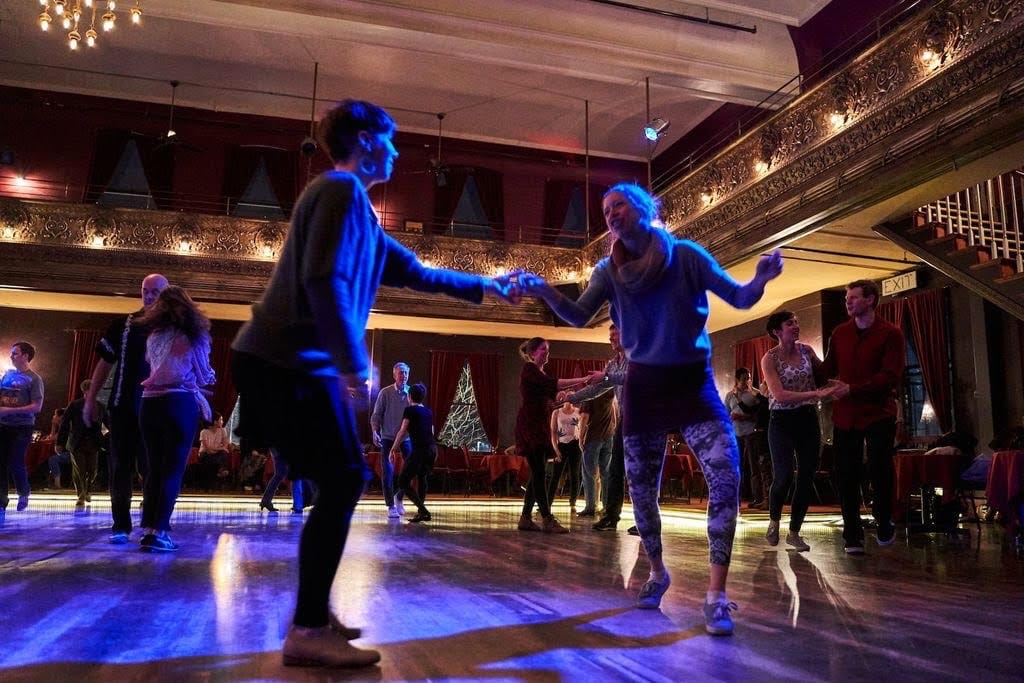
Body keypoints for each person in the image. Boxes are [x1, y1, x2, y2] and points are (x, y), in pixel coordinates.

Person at [230, 99, 527, 669]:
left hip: (291, 363)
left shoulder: (360, 213)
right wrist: (352, 367)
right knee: (342, 479)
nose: (396, 150)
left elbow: (420, 274)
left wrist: (491, 286)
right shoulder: (337, 193)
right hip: (285, 362)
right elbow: (322, 282)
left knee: (341, 480)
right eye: (389, 140)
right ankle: (308, 626)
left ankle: (312, 615)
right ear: (365, 139)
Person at [522, 182, 783, 635]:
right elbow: (580, 315)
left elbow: (740, 298)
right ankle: (658, 571)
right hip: (643, 387)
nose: (610, 214)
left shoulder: (686, 256)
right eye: (605, 210)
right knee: (641, 490)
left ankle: (716, 595)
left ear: (642, 208)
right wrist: (546, 291)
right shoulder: (607, 270)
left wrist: (760, 277)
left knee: (725, 474)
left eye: (618, 204)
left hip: (692, 384)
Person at [84, 273, 169, 543]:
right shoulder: (122, 325)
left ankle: (151, 526)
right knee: (120, 466)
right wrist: (90, 399)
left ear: (166, 294)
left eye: (155, 291)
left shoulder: (174, 328)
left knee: (153, 468)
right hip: (122, 405)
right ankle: (120, 525)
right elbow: (104, 363)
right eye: (145, 289)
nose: (149, 295)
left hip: (157, 408)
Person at [822, 279, 905, 554]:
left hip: (878, 411)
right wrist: (803, 356)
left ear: (870, 300)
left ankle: (883, 521)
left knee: (880, 468)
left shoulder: (890, 333)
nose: (848, 302)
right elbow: (829, 368)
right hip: (846, 413)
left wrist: (853, 389)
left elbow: (890, 375)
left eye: (854, 297)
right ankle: (852, 535)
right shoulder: (840, 333)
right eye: (847, 298)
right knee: (846, 472)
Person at [136, 286, 216, 552]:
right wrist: (207, 379)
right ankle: (160, 532)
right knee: (172, 470)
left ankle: (148, 530)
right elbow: (204, 374)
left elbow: (154, 366)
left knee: (154, 469)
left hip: (149, 402)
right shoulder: (194, 335)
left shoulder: (154, 335)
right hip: (178, 402)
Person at [760, 311, 836, 552]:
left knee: (806, 476)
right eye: (789, 323)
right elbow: (779, 394)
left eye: (796, 322)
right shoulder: (769, 358)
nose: (795, 326)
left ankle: (794, 532)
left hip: (807, 419)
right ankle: (774, 521)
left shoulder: (807, 351)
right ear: (777, 331)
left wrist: (836, 383)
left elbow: (824, 376)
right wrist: (815, 394)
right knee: (783, 476)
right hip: (781, 420)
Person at [515, 337, 594, 534]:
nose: (547, 353)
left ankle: (525, 518)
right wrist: (582, 380)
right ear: (533, 353)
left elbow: (550, 395)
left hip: (538, 426)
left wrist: (559, 398)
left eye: (548, 350)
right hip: (531, 427)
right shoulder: (530, 369)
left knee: (538, 473)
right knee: (540, 474)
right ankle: (547, 518)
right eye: (543, 349)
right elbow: (554, 384)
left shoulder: (539, 373)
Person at [560, 323, 627, 531]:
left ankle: (647, 521)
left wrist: (605, 377)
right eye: (611, 337)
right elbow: (596, 389)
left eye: (615, 336)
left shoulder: (638, 358)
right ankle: (611, 516)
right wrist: (572, 396)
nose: (612, 340)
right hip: (625, 420)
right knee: (615, 470)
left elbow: (635, 379)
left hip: (643, 420)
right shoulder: (613, 363)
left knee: (638, 473)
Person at [0, 342, 44, 512]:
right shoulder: (7, 376)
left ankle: (24, 492)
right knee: (1, 463)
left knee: (15, 461)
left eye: (15, 353)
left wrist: (9, 411)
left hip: (22, 426)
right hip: (3, 426)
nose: (11, 356)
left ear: (26, 356)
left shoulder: (34, 379)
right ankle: (1, 501)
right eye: (12, 353)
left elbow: (37, 407)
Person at [390, 383, 436, 523]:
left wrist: (393, 448)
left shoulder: (409, 410)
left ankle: (423, 511)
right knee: (422, 479)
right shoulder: (428, 411)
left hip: (420, 450)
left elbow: (403, 430)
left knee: (403, 481)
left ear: (409, 396)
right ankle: (421, 513)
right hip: (431, 449)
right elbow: (432, 432)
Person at [370, 362, 411, 518]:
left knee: (411, 469)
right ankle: (390, 505)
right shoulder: (385, 393)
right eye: (400, 373)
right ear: (394, 375)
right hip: (387, 437)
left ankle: (399, 496)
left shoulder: (410, 393)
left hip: (405, 438)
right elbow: (377, 414)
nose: (404, 376)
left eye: (406, 373)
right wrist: (375, 432)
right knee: (387, 471)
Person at [56, 380, 105, 505]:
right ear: (85, 391)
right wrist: (59, 443)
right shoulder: (74, 405)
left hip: (93, 443)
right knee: (80, 469)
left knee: (93, 470)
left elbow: (108, 422)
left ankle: (87, 490)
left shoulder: (99, 406)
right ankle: (81, 494)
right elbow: (64, 424)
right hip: (77, 442)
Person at [725, 368, 768, 509]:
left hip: (751, 434)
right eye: (744, 378)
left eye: (748, 378)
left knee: (754, 466)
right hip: (736, 434)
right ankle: (734, 499)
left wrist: (743, 417)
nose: (747, 381)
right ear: (737, 379)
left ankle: (758, 498)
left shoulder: (753, 395)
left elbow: (759, 414)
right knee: (736, 467)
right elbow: (725, 415)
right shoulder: (730, 396)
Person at [576, 389, 616, 517]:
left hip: (593, 437)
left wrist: (581, 438)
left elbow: (584, 417)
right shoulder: (610, 393)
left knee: (589, 473)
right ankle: (606, 506)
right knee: (606, 473)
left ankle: (590, 507)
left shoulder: (589, 394)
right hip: (608, 436)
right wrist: (611, 431)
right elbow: (614, 417)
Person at [547, 401, 581, 513]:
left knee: (574, 474)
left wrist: (581, 442)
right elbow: (553, 432)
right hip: (561, 444)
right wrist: (556, 449)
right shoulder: (556, 412)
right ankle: (548, 503)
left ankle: (573, 503)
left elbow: (581, 428)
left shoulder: (577, 411)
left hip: (575, 444)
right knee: (556, 475)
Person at [198, 412, 232, 489]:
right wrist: (220, 448)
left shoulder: (223, 430)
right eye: (221, 420)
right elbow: (208, 448)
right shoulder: (204, 432)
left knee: (223, 453)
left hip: (217, 453)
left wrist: (219, 449)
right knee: (211, 457)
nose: (222, 422)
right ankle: (220, 472)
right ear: (215, 422)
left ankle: (220, 471)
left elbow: (225, 446)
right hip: (205, 453)